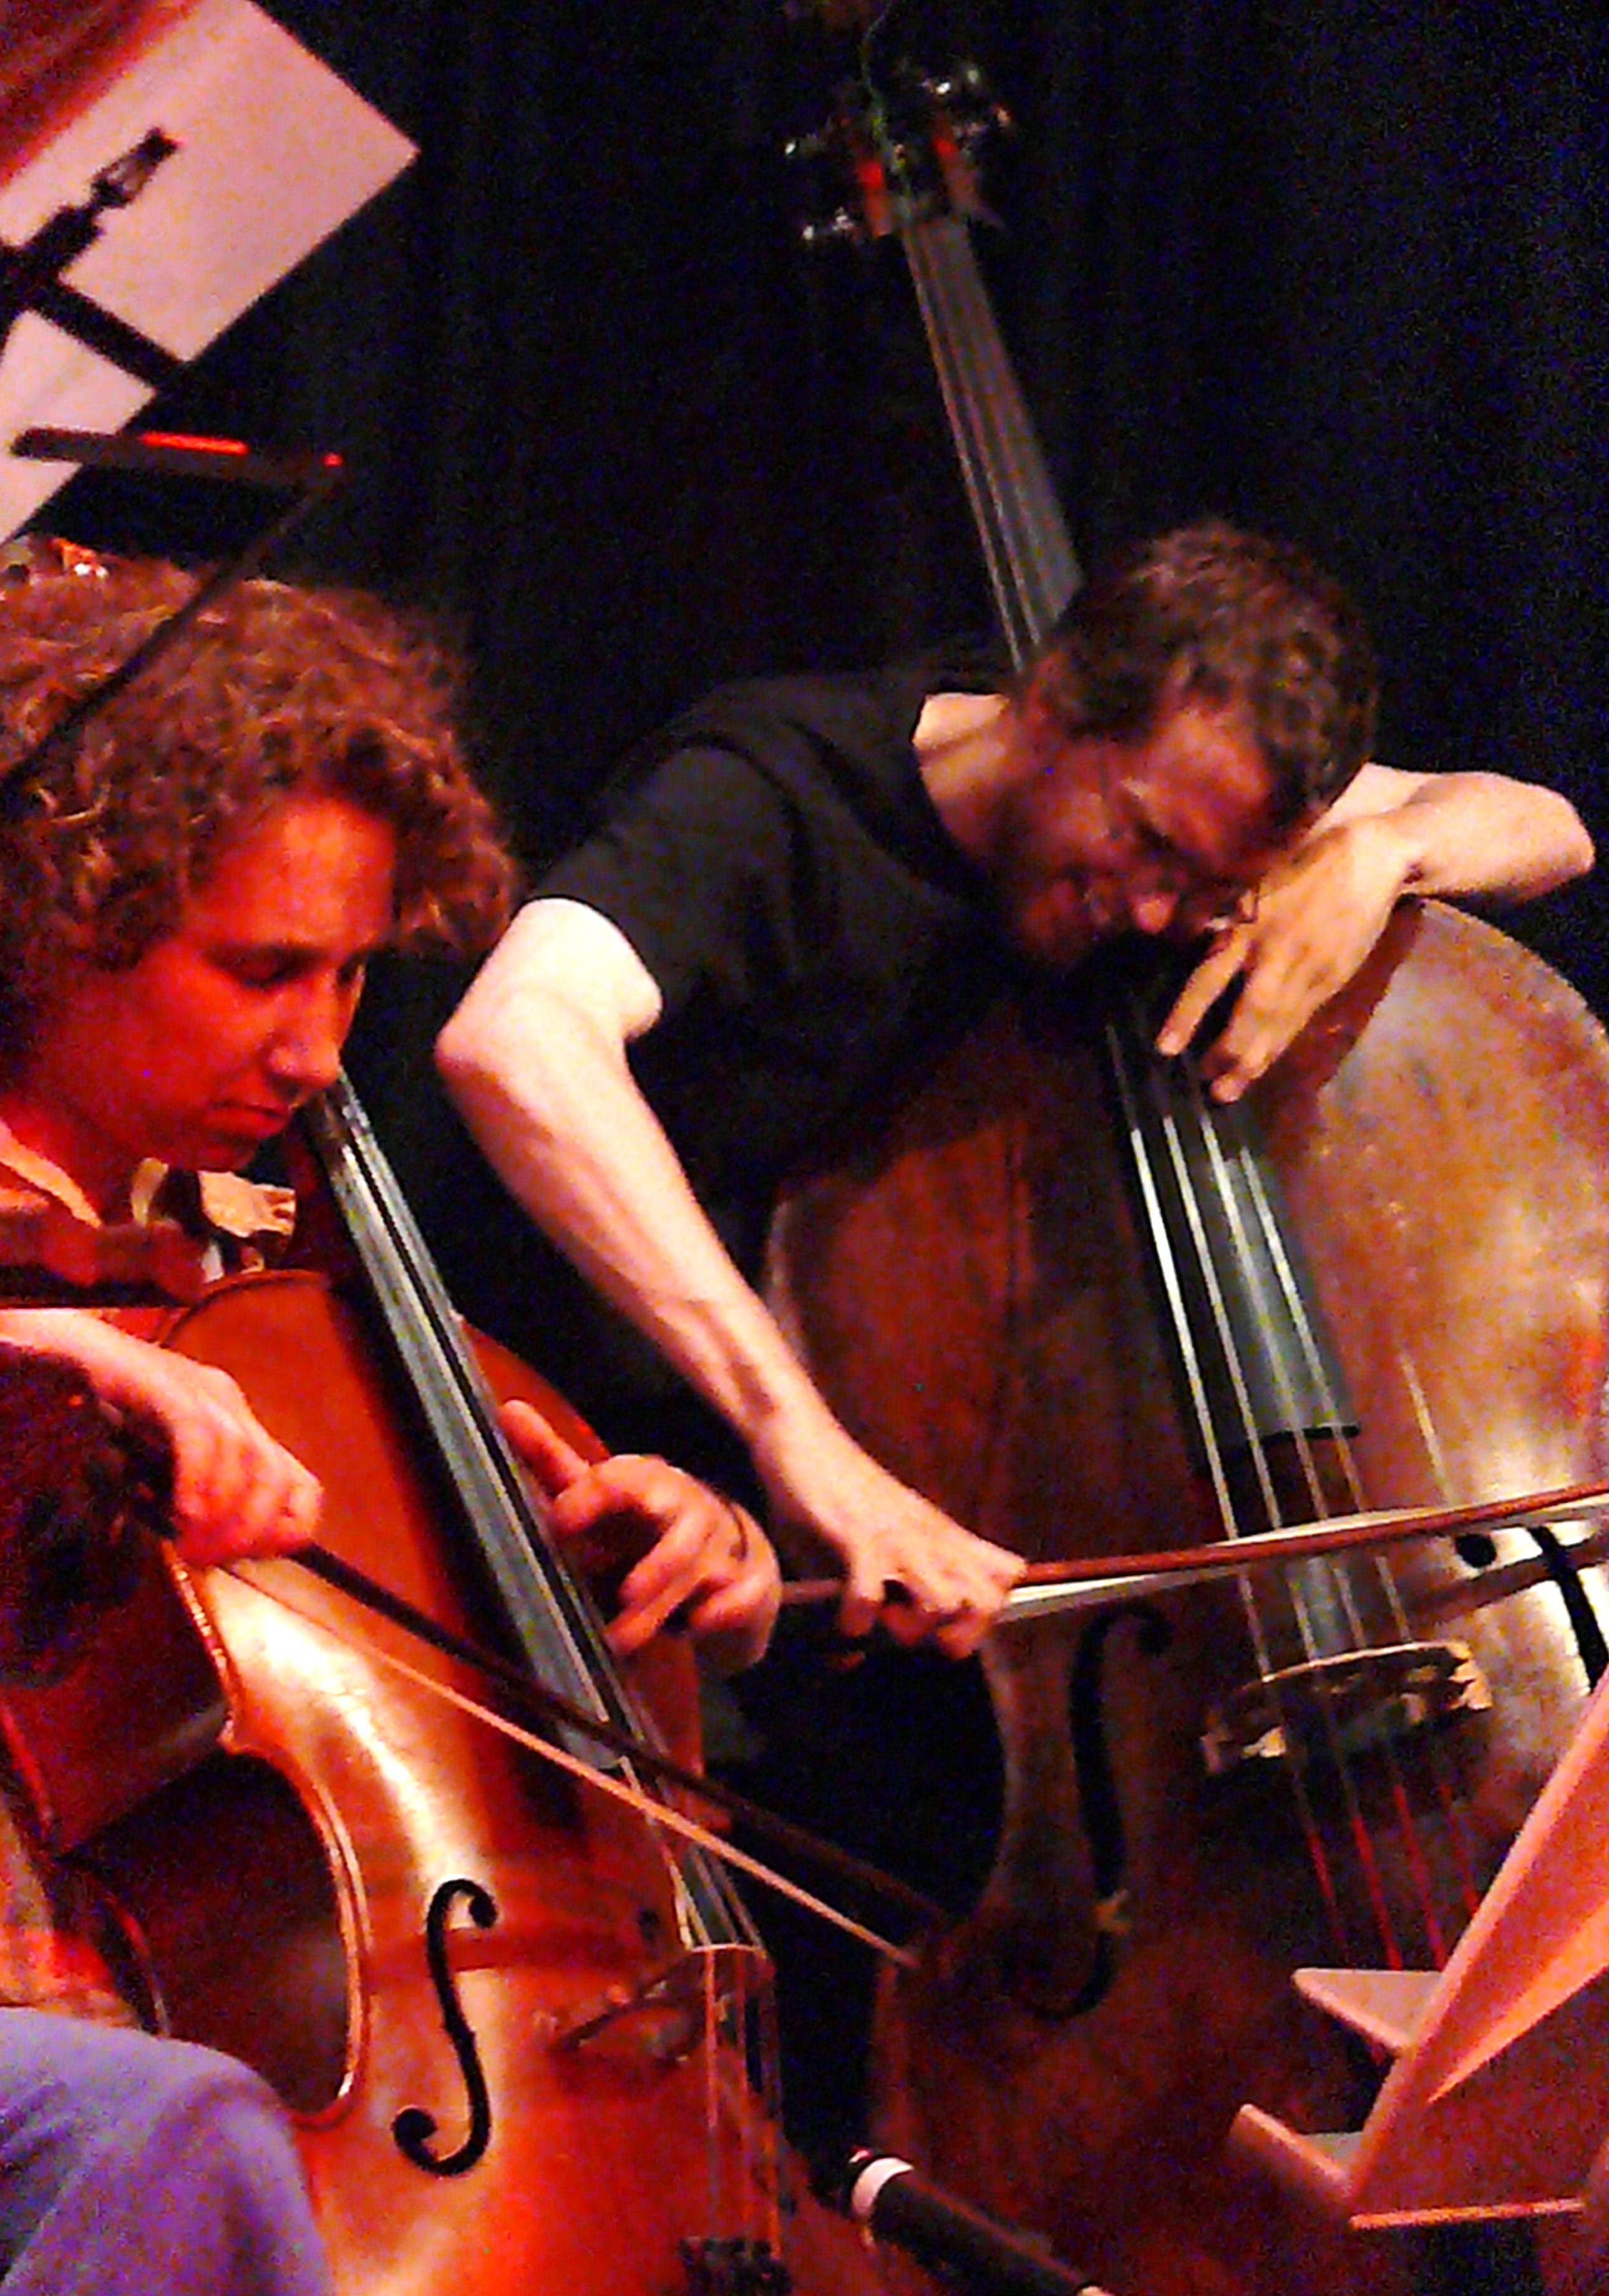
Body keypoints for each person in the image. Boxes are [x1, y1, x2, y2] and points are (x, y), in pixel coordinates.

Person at [431, 519, 1594, 2164]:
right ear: (1052, 705)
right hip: (596, 1514)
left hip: (917, 1617)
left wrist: (1377, 857)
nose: (1157, 909)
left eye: (1209, 882)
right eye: (1143, 845)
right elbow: (512, 1038)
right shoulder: (776, 794)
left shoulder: (1190, 804)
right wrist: (802, 1440)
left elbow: (1545, 825)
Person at [0, 537, 782, 2292]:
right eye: (262, 971)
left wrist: (666, 1554)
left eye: (353, 977)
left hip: (238, 2100)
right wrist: (37, 1347)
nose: (318, 1052)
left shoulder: (296, 1295)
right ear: (61, 919)